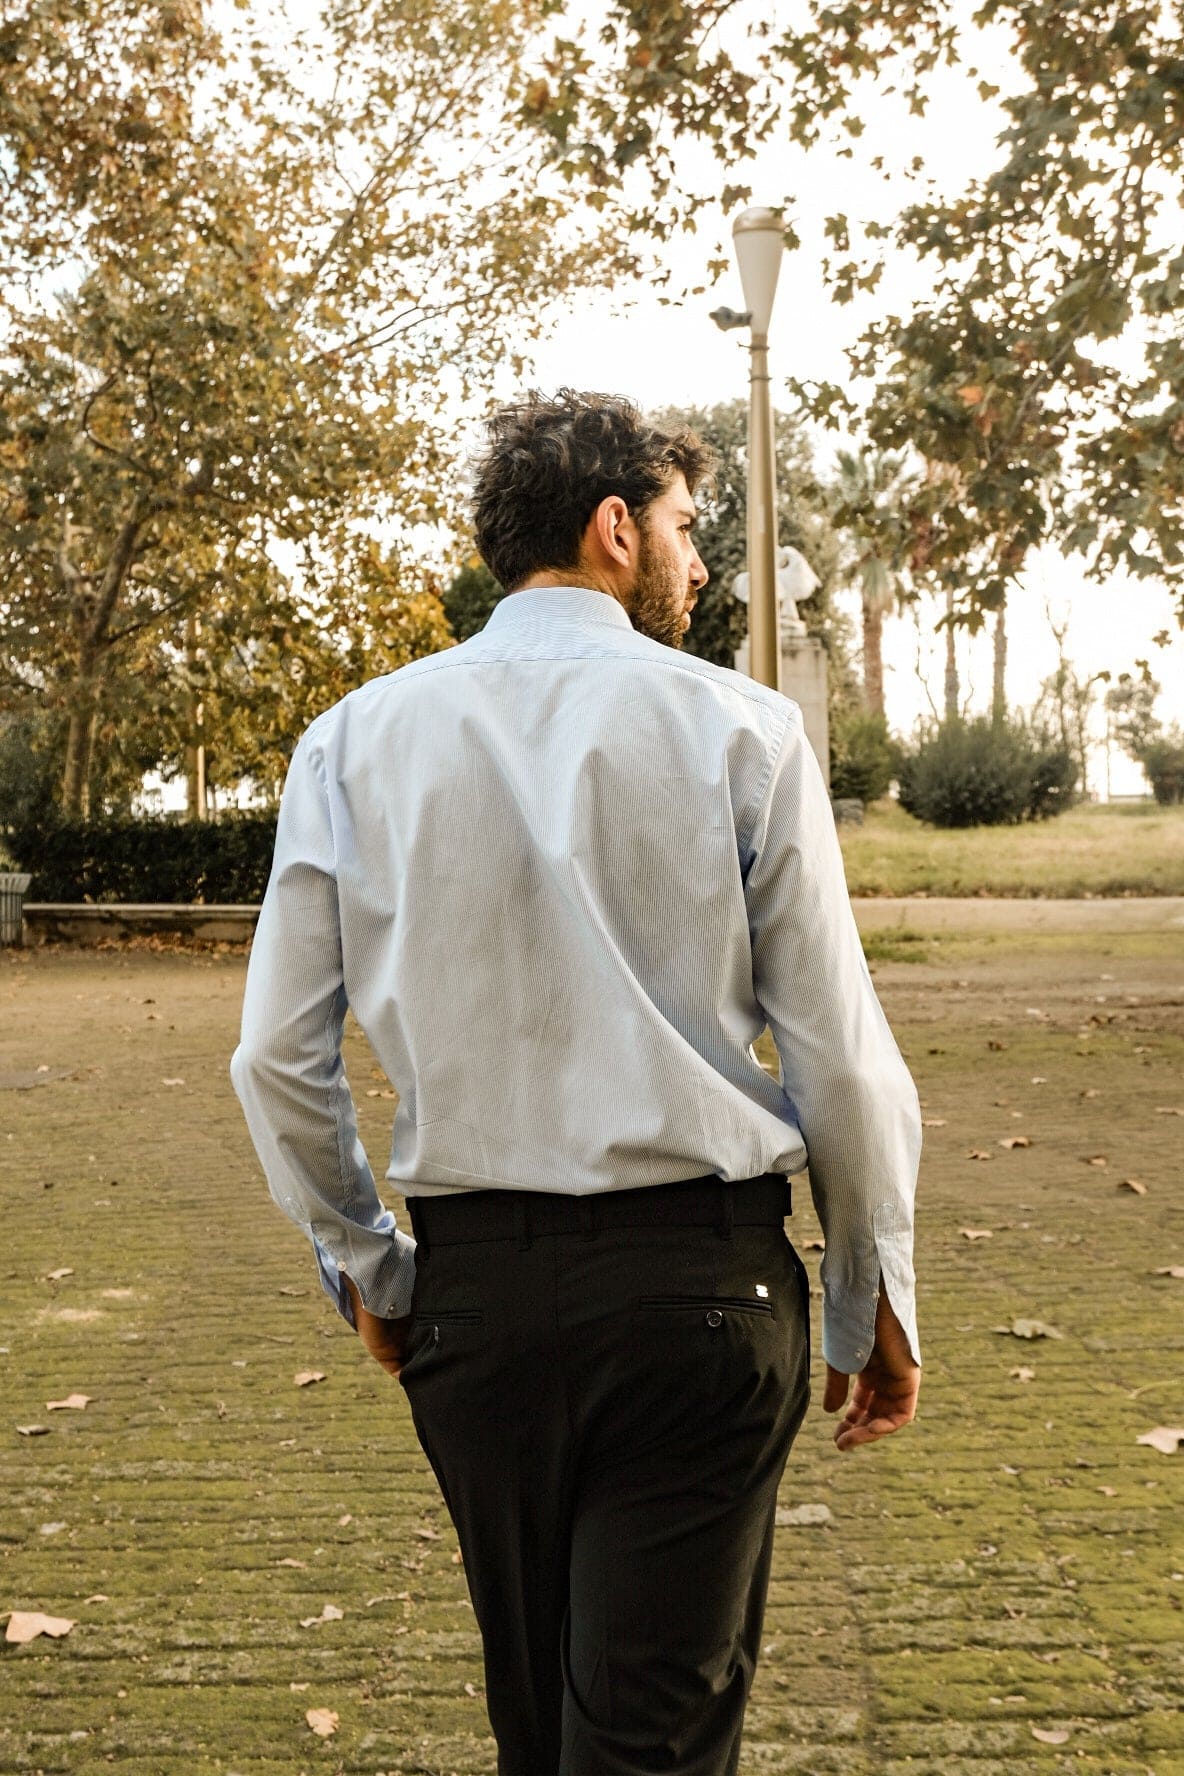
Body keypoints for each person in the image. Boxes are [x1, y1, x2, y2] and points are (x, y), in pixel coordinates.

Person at [231, 388, 922, 1776]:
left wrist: (368, 1261)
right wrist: (871, 1293)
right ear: (616, 529)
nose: (698, 561)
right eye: (683, 527)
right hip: (699, 1302)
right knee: (652, 1729)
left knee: (539, 1725)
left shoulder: (353, 741)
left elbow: (276, 1055)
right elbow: (838, 1052)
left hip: (477, 1309)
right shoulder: (744, 731)